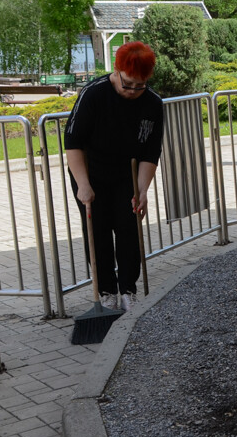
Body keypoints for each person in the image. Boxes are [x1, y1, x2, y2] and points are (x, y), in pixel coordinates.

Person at [64, 41, 164, 313]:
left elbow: (150, 151)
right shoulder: (93, 94)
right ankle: (106, 290)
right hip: (90, 172)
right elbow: (72, 142)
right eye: (127, 84)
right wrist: (83, 186)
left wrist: (142, 191)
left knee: (129, 227)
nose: (132, 91)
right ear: (117, 70)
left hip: (128, 175)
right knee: (98, 231)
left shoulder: (153, 103)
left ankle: (128, 290)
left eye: (139, 85)